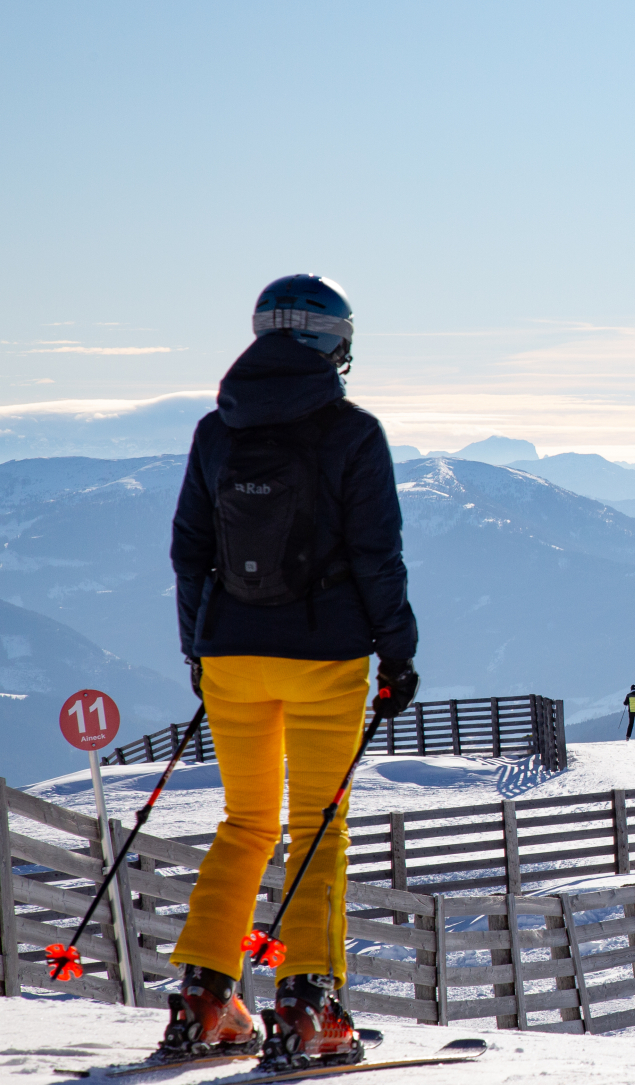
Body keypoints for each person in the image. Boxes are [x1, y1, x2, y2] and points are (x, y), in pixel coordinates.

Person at [162, 275, 420, 1068]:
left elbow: (189, 552)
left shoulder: (217, 431)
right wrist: (398, 651)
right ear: (329, 344)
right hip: (326, 658)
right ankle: (311, 1006)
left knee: (245, 823)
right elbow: (377, 555)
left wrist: (197, 653)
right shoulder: (353, 432)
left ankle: (207, 999)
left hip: (230, 656)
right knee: (318, 827)